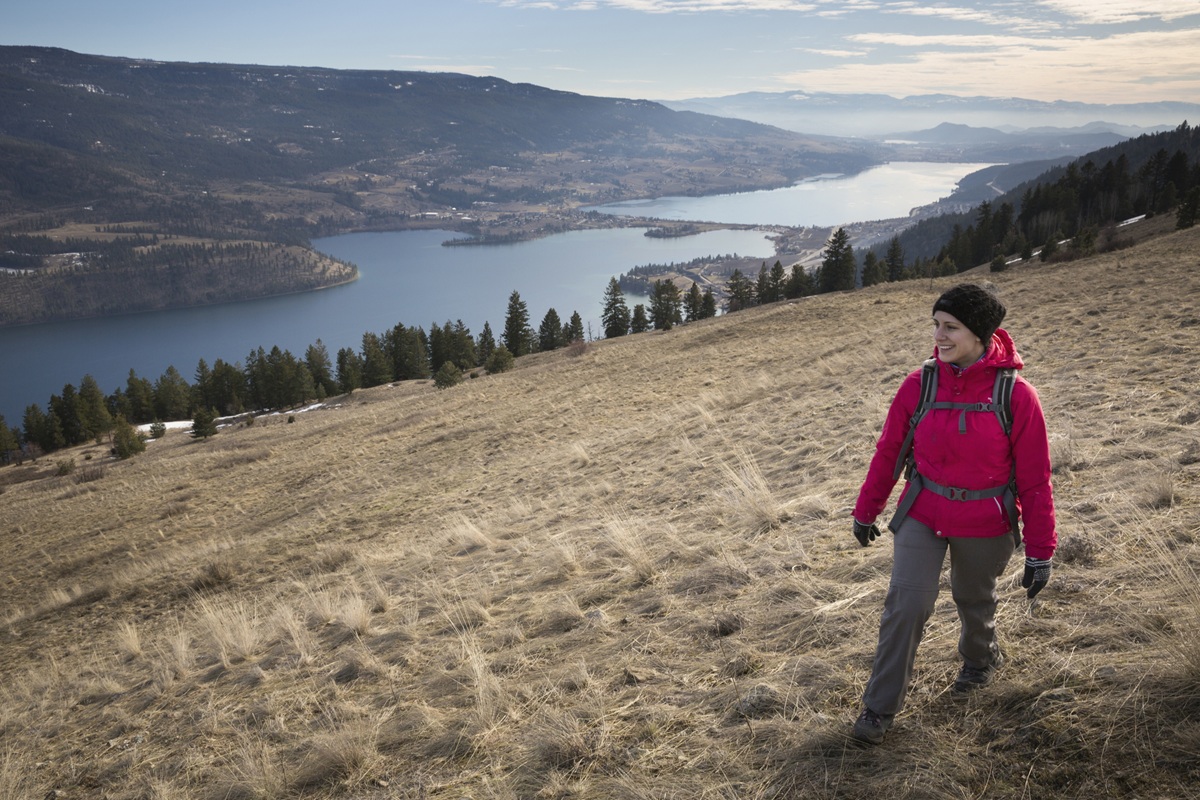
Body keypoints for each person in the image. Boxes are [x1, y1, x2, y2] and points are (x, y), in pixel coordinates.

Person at [849, 283, 1057, 745]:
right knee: (907, 604)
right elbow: (888, 453)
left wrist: (1041, 551)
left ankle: (980, 661)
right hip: (923, 511)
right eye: (936, 326)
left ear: (981, 334)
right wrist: (867, 511)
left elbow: (1036, 480)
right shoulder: (918, 384)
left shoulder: (1017, 396)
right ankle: (878, 710)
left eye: (951, 328)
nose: (939, 337)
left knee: (973, 598)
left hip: (986, 520)